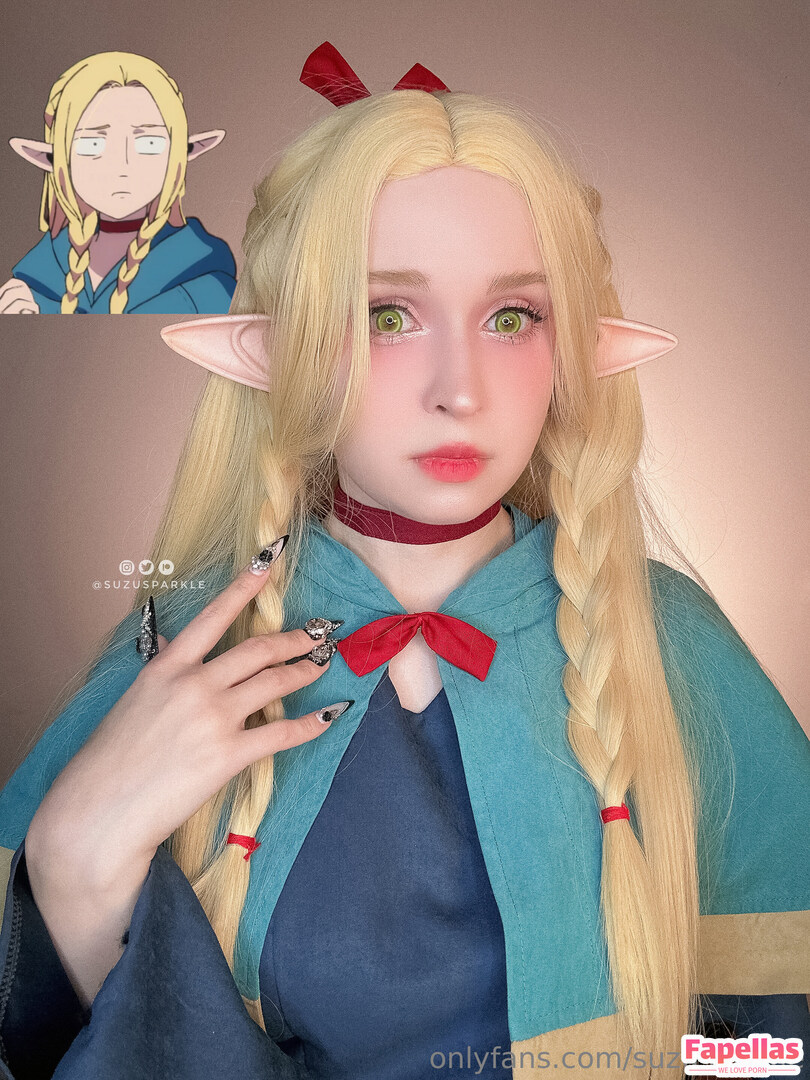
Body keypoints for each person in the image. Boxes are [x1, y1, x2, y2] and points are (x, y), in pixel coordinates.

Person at [1, 40, 808, 1080]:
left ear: (576, 352)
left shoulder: (669, 646)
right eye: (386, 316)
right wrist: (70, 861)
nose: (457, 389)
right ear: (274, 349)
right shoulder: (184, 646)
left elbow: (778, 1032)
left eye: (511, 318)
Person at [1, 51, 237, 314]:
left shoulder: (203, 274)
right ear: (57, 160)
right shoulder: (38, 274)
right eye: (92, 144)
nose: (121, 165)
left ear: (179, 154)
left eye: (149, 143)